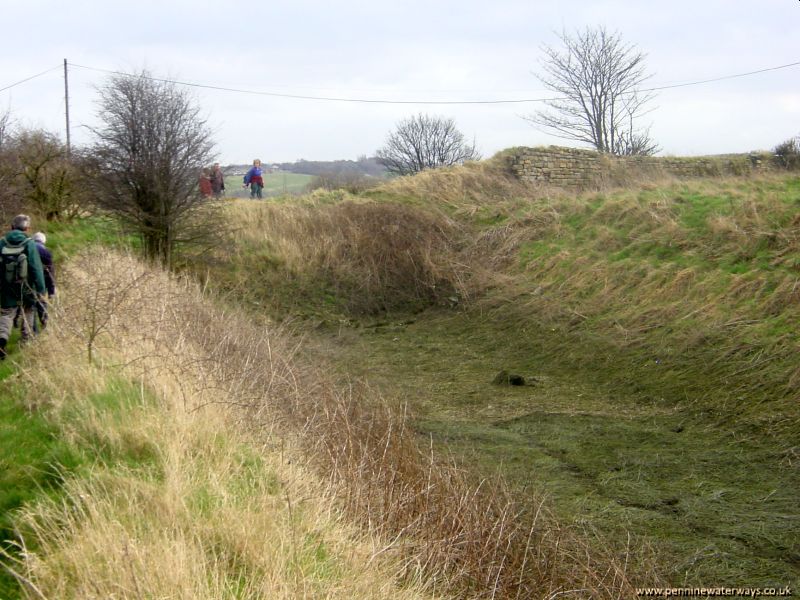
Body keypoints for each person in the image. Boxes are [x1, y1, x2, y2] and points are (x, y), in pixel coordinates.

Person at [0, 215, 46, 358]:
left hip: (6, 286)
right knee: (28, 311)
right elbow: (36, 268)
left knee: (6, 313)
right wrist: (41, 289)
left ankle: (2, 340)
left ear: (12, 227)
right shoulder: (29, 243)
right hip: (26, 286)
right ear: (27, 228)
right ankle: (26, 343)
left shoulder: (2, 242)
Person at [31, 232, 55, 331]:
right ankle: (44, 324)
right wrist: (51, 291)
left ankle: (33, 331)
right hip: (42, 283)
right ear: (43, 241)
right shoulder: (46, 253)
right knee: (41, 304)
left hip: (28, 282)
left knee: (30, 307)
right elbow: (50, 274)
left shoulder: (27, 249)